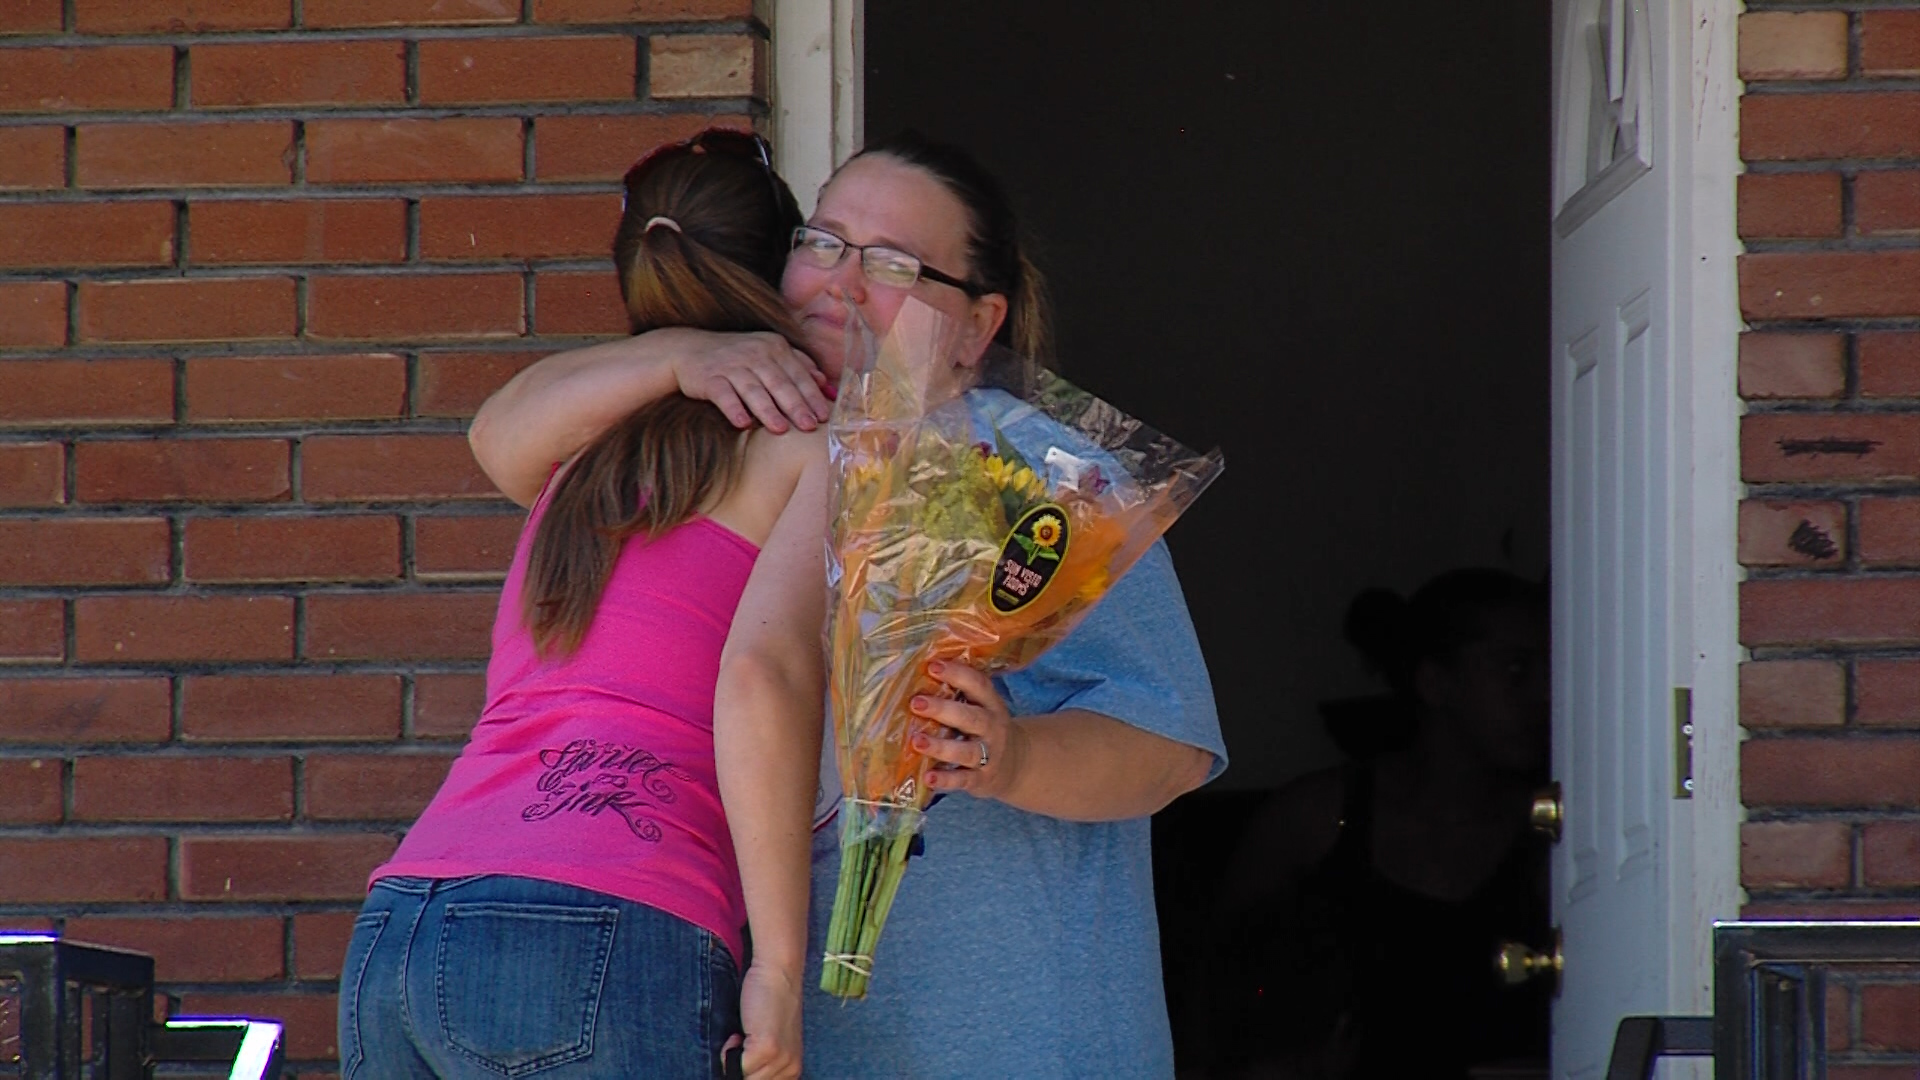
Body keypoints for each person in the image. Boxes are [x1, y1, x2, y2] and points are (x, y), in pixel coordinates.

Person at [472, 130, 1227, 1079]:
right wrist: (681, 353)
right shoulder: (752, 436)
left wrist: (1013, 758)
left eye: (895, 264)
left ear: (978, 324)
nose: (842, 283)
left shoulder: (1050, 481)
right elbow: (505, 441)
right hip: (801, 1048)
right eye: (822, 243)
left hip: (1027, 1042)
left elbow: (1171, 748)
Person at [335, 129, 830, 1080]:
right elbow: (765, 679)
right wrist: (777, 967)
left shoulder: (582, 453)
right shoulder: (807, 433)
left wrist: (676, 354)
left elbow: (495, 429)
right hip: (605, 918)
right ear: (784, 267)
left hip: (405, 923)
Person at [1199, 568, 1552, 1080]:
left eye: (1551, 670)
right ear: (1435, 682)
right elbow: (1219, 983)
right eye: (1516, 670)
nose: (1545, 695)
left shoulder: (1555, 832)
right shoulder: (1317, 818)